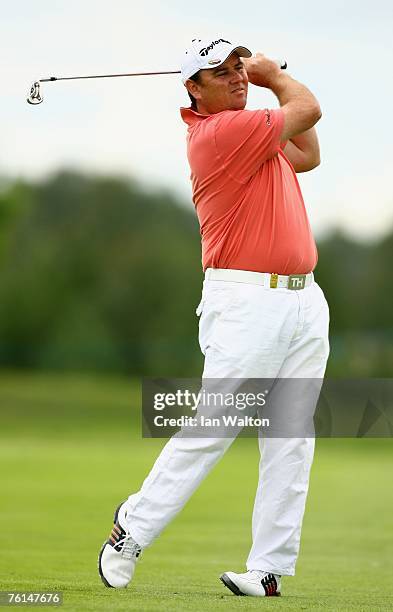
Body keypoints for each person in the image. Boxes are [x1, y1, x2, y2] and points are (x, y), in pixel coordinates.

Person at [98, 36, 330, 597]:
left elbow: (309, 152)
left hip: (302, 301)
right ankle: (132, 527)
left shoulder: (254, 135)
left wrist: (268, 85)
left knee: (291, 439)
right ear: (193, 89)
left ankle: (267, 569)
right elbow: (308, 109)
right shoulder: (220, 134)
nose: (236, 78)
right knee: (213, 430)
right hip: (246, 303)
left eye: (238, 68)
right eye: (220, 72)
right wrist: (273, 76)